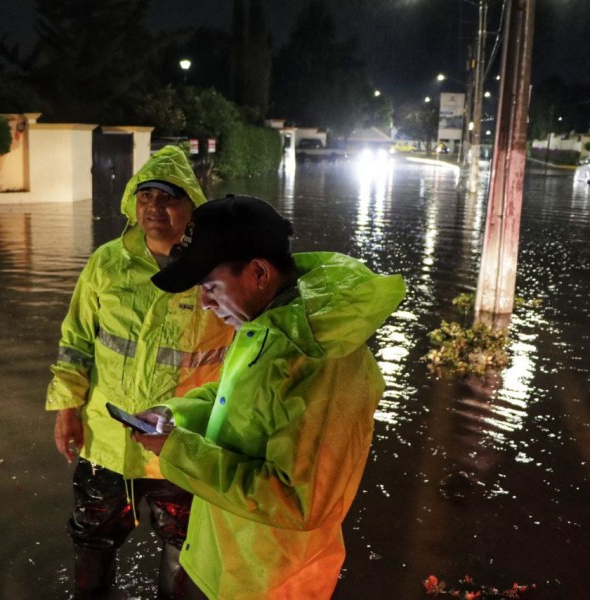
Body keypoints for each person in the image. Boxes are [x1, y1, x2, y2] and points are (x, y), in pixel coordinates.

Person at [131, 195, 406, 599]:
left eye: (211, 287)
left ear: (258, 272)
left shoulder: (319, 359)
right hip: (233, 558)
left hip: (275, 581)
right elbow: (235, 400)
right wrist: (174, 415)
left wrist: (179, 450)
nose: (205, 303)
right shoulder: (269, 325)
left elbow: (296, 501)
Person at [45, 146, 234, 599]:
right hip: (107, 442)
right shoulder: (106, 263)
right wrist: (67, 407)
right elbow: (76, 341)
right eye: (145, 197)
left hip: (181, 444)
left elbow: (238, 362)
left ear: (191, 206)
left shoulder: (213, 273)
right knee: (92, 537)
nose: (154, 208)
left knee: (185, 546)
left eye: (168, 198)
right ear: (132, 203)